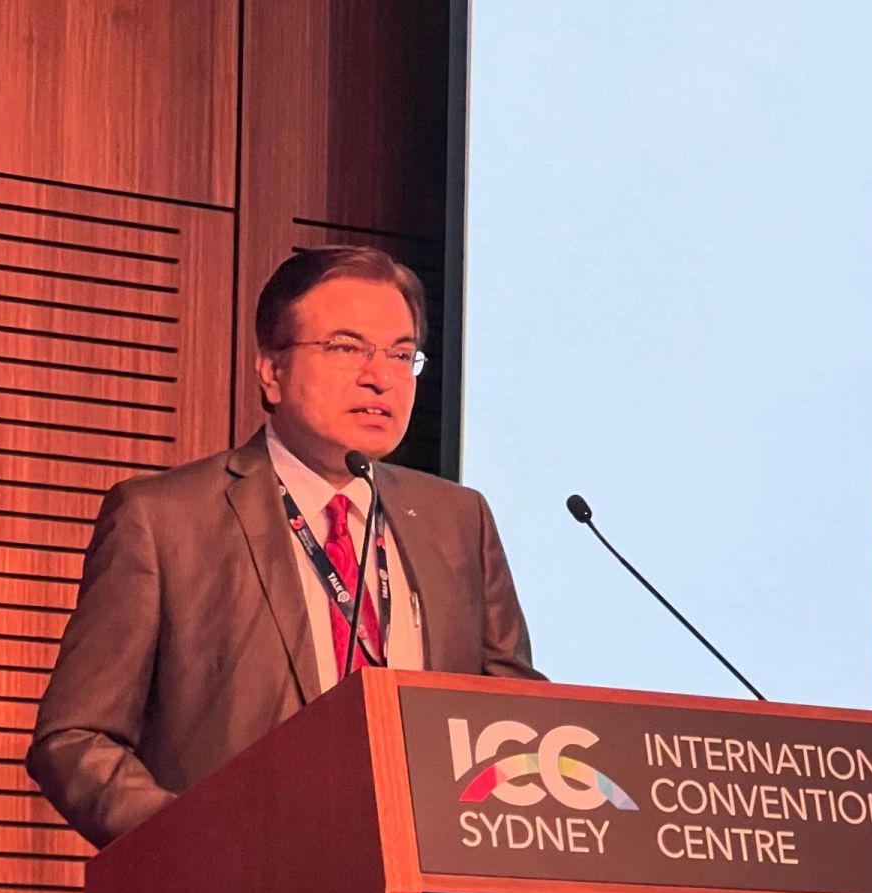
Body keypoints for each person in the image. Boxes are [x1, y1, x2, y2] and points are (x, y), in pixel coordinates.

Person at [26, 245, 539, 847]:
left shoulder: (457, 520)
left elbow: (516, 723)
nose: (380, 376)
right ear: (271, 370)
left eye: (401, 354)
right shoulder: (165, 520)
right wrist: (201, 844)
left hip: (431, 877)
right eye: (345, 347)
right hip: (244, 886)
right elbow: (75, 739)